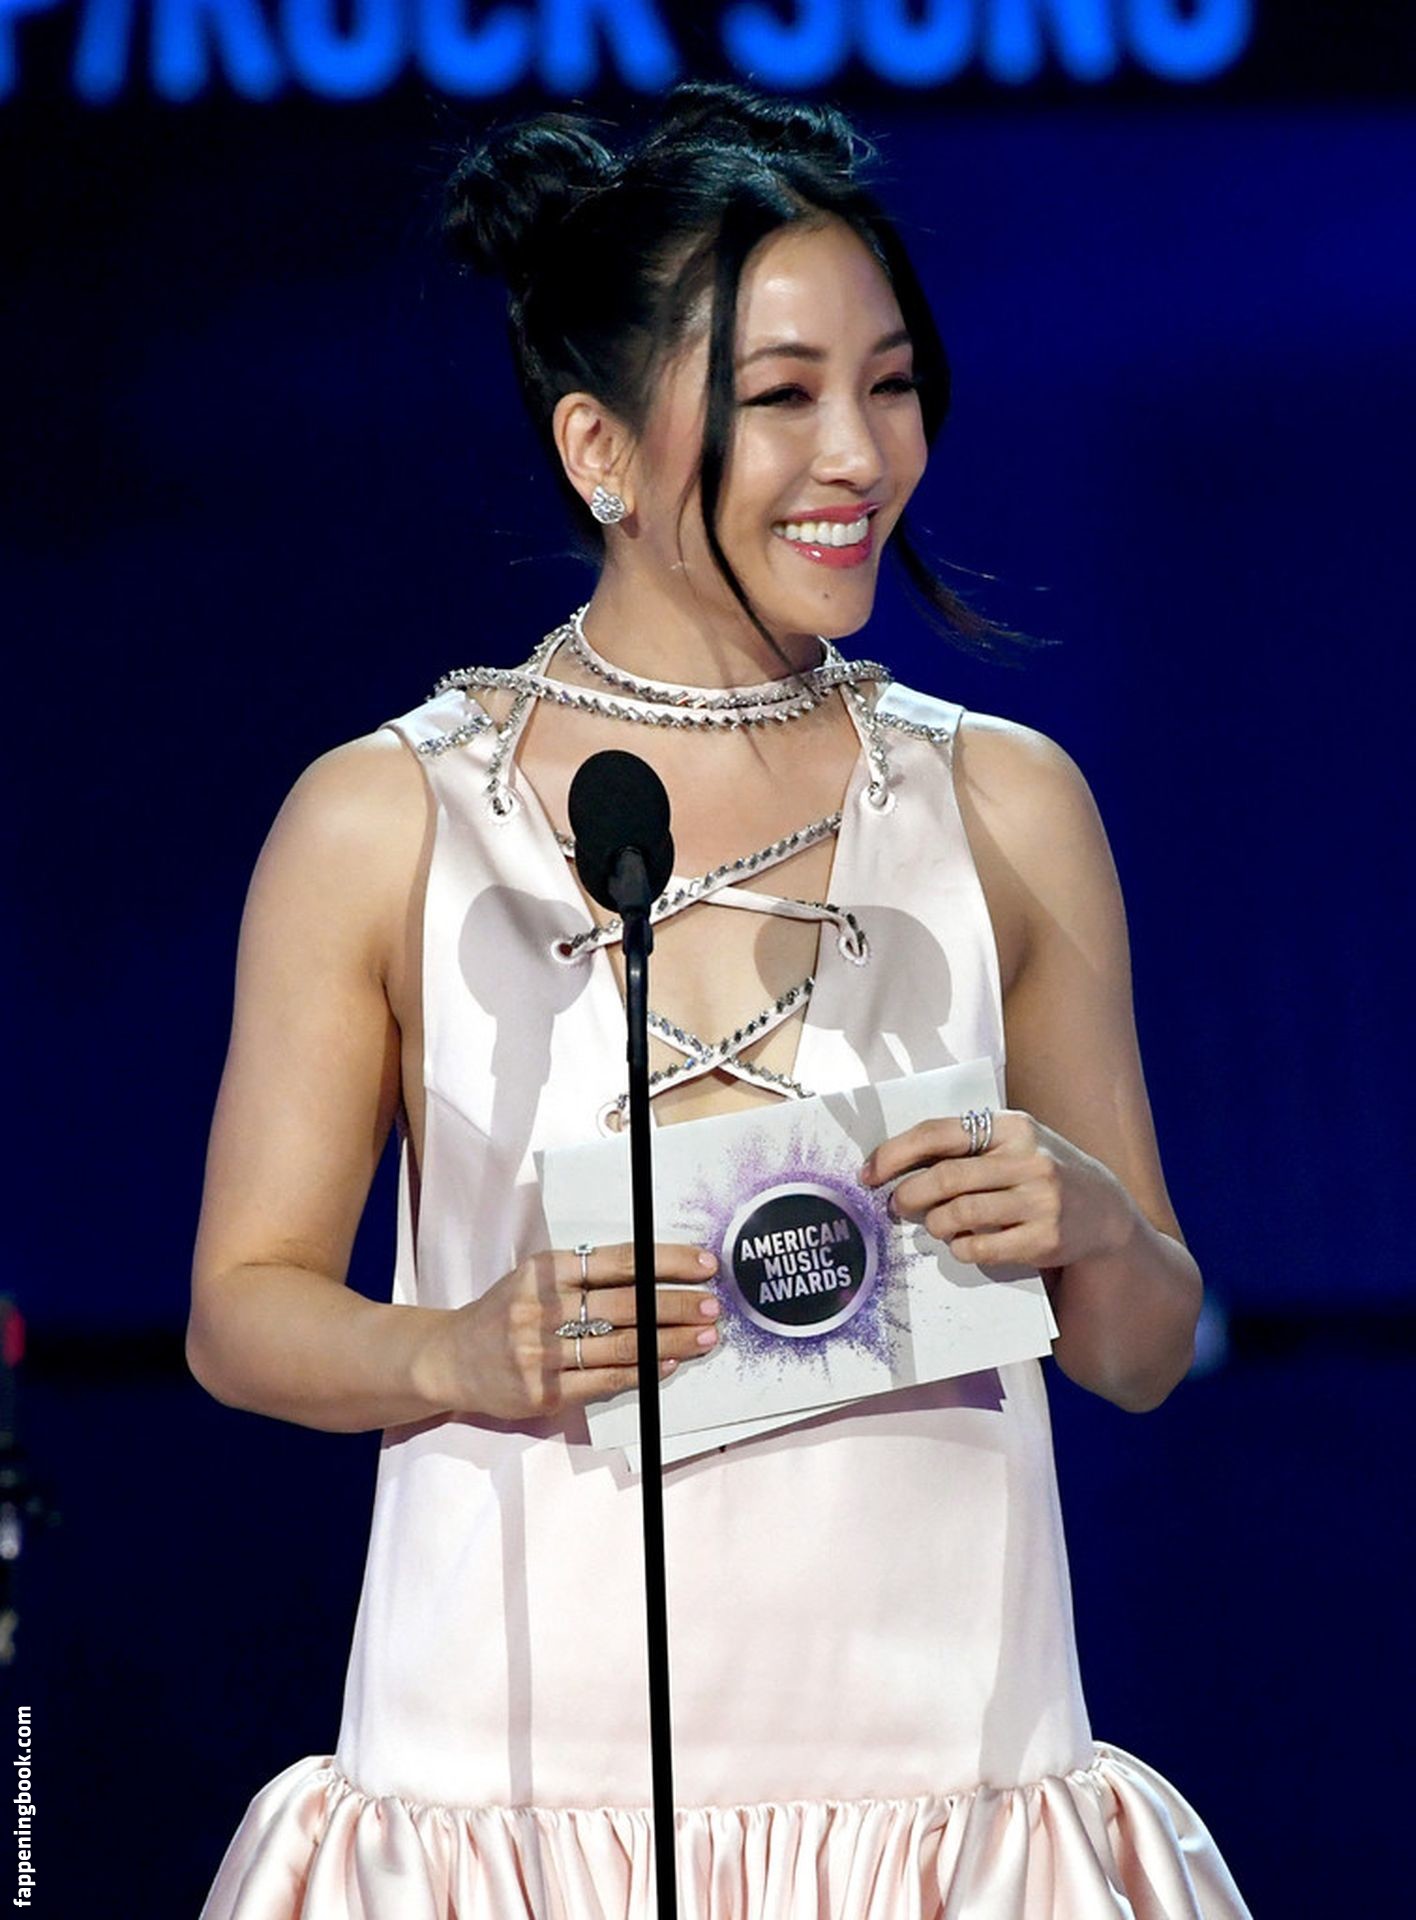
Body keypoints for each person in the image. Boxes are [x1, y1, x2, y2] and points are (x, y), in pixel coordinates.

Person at [189, 82, 1252, 1919]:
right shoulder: (388, 818)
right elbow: (242, 1310)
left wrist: (1087, 1221)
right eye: (781, 396)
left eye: (892, 384)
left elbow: (1142, 1350)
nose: (859, 454)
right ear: (598, 445)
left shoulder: (1006, 804)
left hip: (955, 1810)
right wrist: (453, 1353)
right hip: (514, 1804)